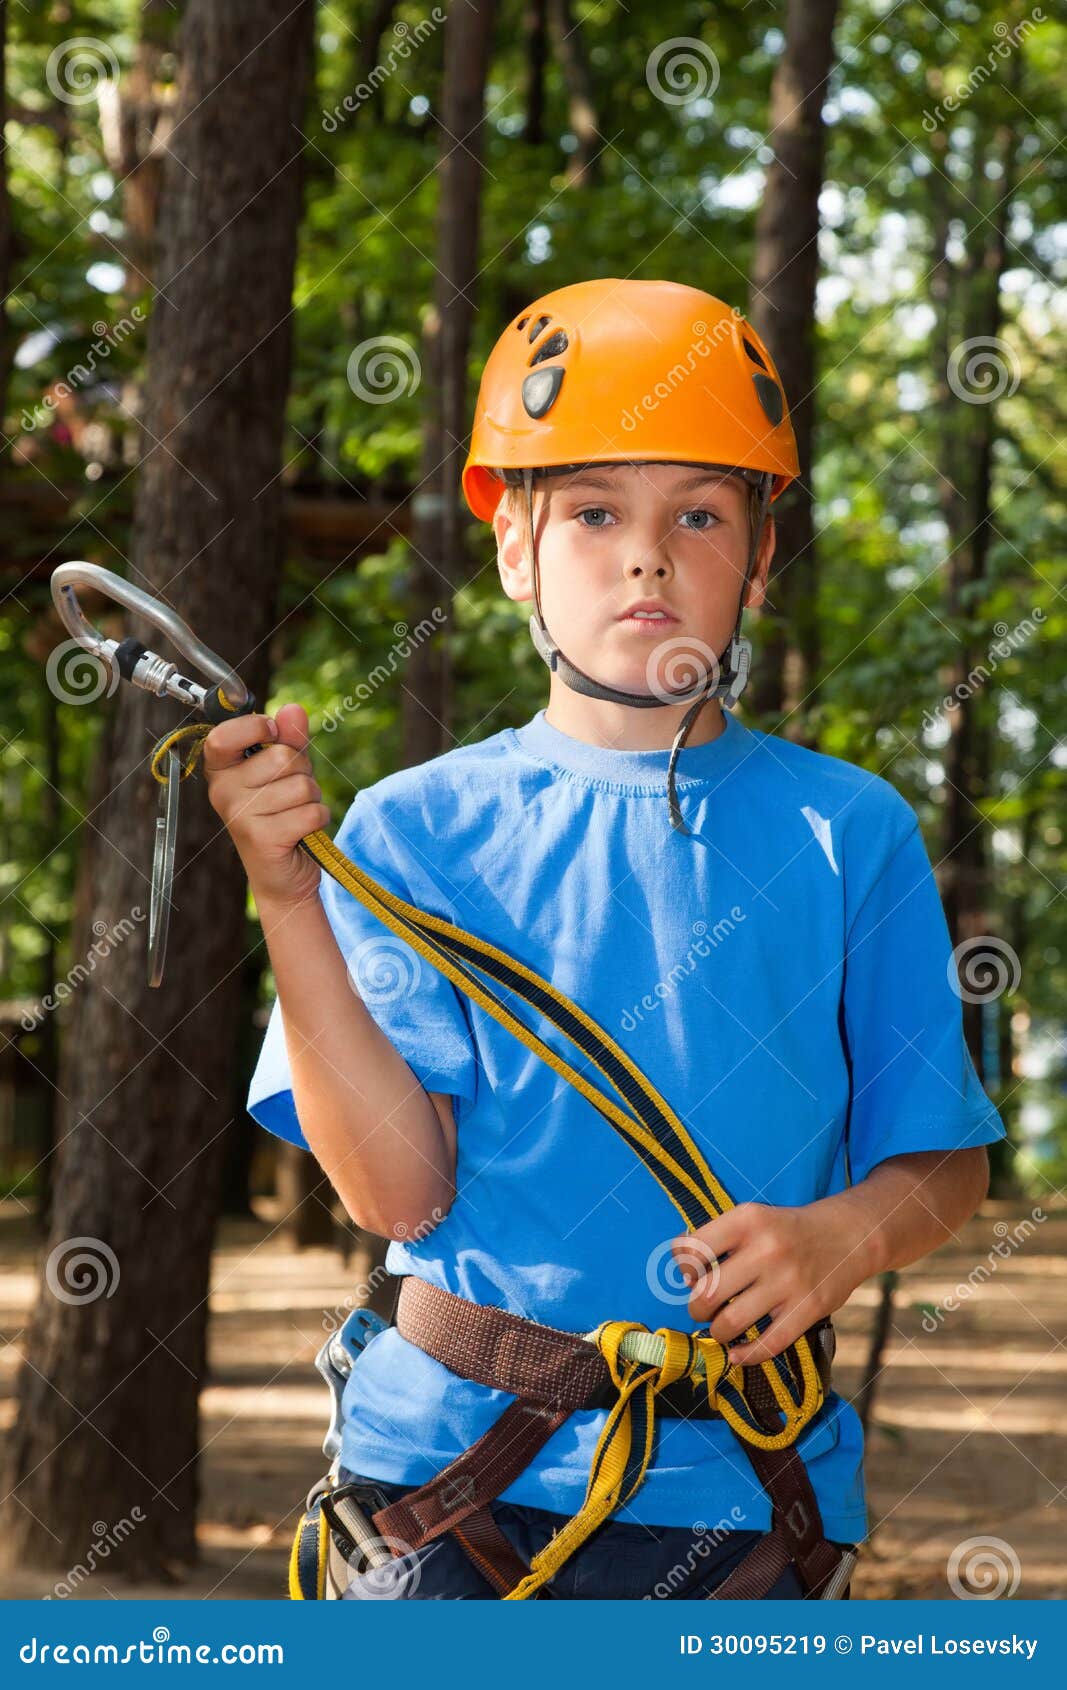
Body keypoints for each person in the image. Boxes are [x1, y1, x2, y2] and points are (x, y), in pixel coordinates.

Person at [205, 279, 1006, 1600]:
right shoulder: (415, 833)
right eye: (592, 512)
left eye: (699, 512)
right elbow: (396, 1194)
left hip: (747, 1492)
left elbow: (944, 1162)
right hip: (446, 1482)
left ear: (756, 557)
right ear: (514, 546)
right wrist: (290, 900)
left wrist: (840, 1240)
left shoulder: (848, 834)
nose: (647, 555)